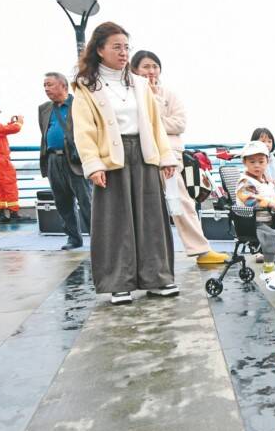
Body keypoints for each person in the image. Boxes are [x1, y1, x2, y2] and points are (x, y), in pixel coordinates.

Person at [71, 22, 179, 305]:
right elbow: (83, 130)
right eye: (116, 47)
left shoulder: (140, 83)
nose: (123, 53)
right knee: (114, 221)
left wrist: (165, 157)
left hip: (144, 153)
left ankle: (158, 278)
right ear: (100, 49)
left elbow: (155, 125)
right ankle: (119, 282)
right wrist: (93, 164)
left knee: (152, 219)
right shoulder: (86, 86)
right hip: (111, 158)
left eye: (126, 47)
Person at [130, 50, 229, 266]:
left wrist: (152, 116)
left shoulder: (168, 93)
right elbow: (134, 123)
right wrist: (153, 121)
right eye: (146, 66)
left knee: (181, 201)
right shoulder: (129, 95)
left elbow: (179, 124)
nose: (151, 71)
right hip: (140, 155)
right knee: (144, 206)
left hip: (169, 156)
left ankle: (201, 250)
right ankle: (146, 255)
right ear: (134, 69)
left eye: (154, 66)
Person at [39, 72, 93, 250]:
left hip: (76, 160)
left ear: (63, 86)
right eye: (44, 85)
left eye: (50, 85)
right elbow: (44, 132)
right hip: (53, 160)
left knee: (87, 202)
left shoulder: (79, 104)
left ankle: (98, 240)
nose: (46, 89)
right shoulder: (44, 109)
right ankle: (73, 238)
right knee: (62, 203)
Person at [235, 140, 275, 281]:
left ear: (267, 162)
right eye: (252, 162)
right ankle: (268, 268)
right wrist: (272, 204)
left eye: (261, 161)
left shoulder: (265, 181)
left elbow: (271, 197)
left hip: (268, 219)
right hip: (251, 223)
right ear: (244, 162)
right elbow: (249, 199)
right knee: (271, 235)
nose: (257, 165)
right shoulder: (245, 181)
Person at [251, 127, 275, 196]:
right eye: (263, 141)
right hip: (262, 198)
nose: (267, 144)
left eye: (269, 141)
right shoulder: (252, 161)